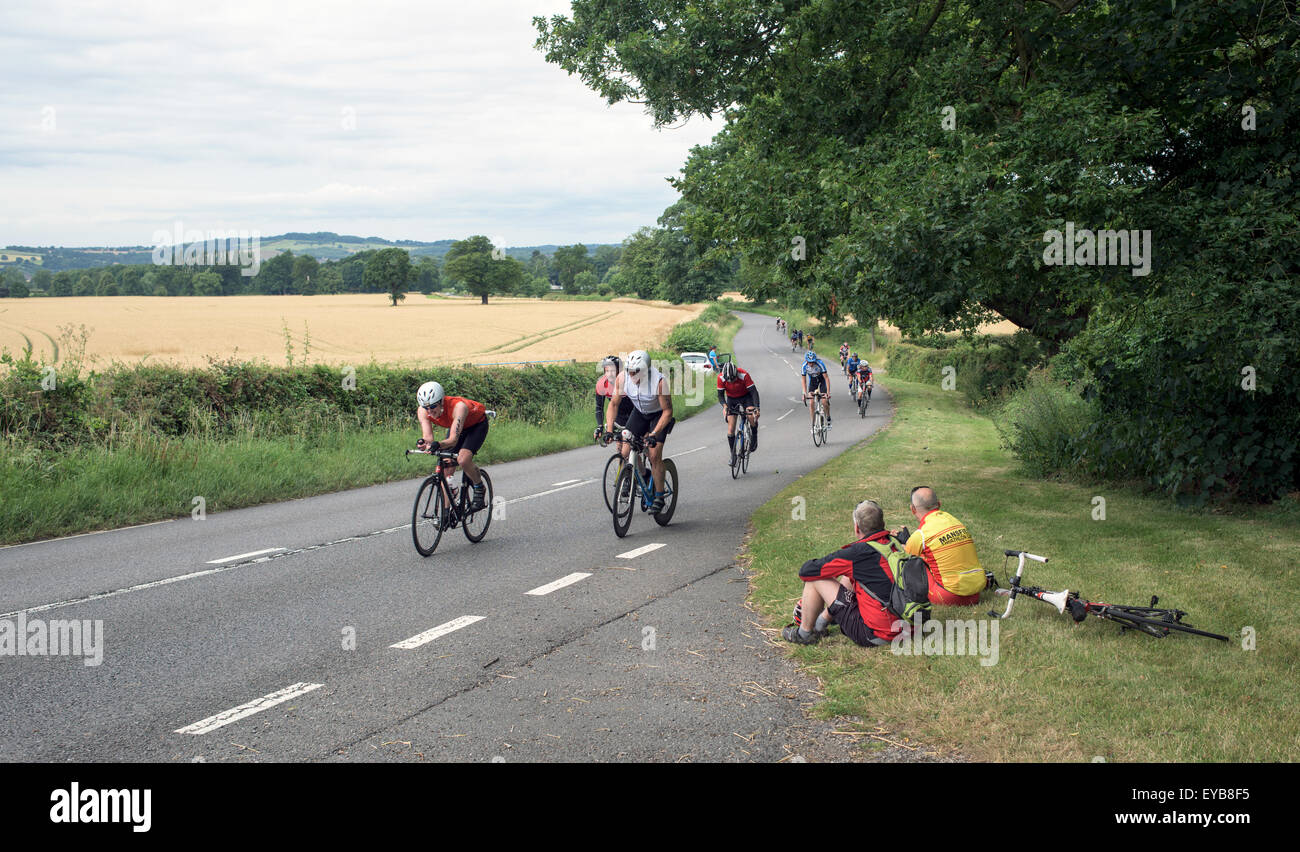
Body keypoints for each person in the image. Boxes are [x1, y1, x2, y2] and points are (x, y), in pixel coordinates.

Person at [783, 500, 910, 646]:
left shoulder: (857, 553)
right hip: (910, 626)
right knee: (850, 575)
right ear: (882, 523)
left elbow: (806, 571)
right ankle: (820, 623)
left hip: (879, 635)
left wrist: (832, 571)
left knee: (815, 580)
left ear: (857, 528)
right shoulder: (894, 544)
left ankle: (804, 634)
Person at [602, 349, 675, 513]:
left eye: (636, 372)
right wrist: (608, 429)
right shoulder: (622, 378)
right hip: (640, 413)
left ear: (646, 370)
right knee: (625, 450)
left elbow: (667, 411)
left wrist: (654, 434)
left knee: (654, 454)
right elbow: (613, 404)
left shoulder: (659, 382)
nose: (632, 375)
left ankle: (659, 495)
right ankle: (639, 476)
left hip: (658, 415)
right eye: (629, 371)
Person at [894, 487, 986, 606]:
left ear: (912, 509)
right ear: (939, 504)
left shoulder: (921, 534)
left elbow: (907, 560)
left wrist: (903, 543)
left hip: (948, 596)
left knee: (917, 562)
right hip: (976, 593)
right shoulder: (956, 522)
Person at [416, 381, 490, 511]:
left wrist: (438, 444)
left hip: (476, 425)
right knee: (446, 467)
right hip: (457, 427)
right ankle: (446, 511)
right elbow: (428, 437)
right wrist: (424, 443)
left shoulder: (458, 407)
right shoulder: (423, 411)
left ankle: (479, 488)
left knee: (463, 459)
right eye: (425, 407)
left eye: (432, 406)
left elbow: (453, 440)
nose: (429, 411)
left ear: (441, 402)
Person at [716, 361, 761, 459]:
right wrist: (724, 406)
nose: (732, 382)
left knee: (750, 415)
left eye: (733, 379)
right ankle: (733, 455)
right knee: (731, 429)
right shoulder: (720, 378)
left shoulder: (743, 374)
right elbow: (720, 395)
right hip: (732, 399)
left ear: (736, 373)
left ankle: (754, 434)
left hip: (746, 396)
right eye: (729, 381)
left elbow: (754, 392)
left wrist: (757, 408)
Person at [594, 355, 634, 445]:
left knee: (632, 446)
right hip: (619, 416)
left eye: (612, 371)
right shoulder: (601, 384)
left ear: (619, 371)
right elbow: (599, 407)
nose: (609, 374)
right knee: (620, 448)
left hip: (634, 413)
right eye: (607, 371)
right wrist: (600, 426)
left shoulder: (627, 381)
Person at [800, 349, 832, 431]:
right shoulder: (804, 366)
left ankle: (828, 418)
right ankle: (813, 425)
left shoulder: (820, 364)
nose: (811, 364)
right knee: (811, 402)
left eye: (812, 362)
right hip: (813, 382)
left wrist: (828, 392)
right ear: (806, 361)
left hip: (822, 381)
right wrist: (804, 393)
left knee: (824, 401)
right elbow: (804, 380)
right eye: (809, 362)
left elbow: (826, 378)